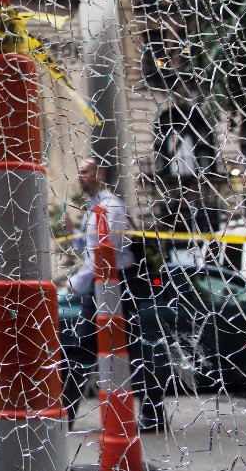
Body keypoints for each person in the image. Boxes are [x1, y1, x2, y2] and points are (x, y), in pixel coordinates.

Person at [63, 157, 168, 433]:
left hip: (116, 285)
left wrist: (76, 281)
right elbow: (90, 248)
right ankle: (65, 415)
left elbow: (107, 250)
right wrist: (73, 233)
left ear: (100, 174)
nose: (80, 176)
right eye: (80, 171)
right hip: (102, 284)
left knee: (121, 350)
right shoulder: (94, 208)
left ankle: (152, 413)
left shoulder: (111, 206)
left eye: (85, 171)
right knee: (102, 349)